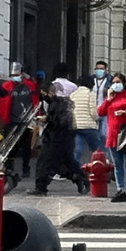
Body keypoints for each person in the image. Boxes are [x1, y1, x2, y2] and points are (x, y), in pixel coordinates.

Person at [32, 68, 83, 196]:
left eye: (44, 93)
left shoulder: (60, 103)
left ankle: (41, 187)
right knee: (65, 162)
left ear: (48, 92)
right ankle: (81, 178)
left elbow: (61, 121)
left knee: (46, 162)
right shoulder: (58, 103)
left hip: (58, 138)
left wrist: (47, 118)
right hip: (58, 137)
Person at [0, 62, 39, 178]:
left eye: (17, 74)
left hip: (27, 120)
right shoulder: (6, 86)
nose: (15, 76)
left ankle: (26, 168)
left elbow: (35, 100)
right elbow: (2, 103)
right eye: (13, 74)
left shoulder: (30, 85)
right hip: (11, 120)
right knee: (10, 145)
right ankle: (9, 167)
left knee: (26, 146)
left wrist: (37, 115)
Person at [69, 77, 103, 179]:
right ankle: (97, 168)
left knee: (77, 149)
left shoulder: (73, 94)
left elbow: (71, 110)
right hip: (89, 126)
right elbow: (93, 111)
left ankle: (76, 171)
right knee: (96, 149)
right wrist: (97, 118)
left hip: (76, 125)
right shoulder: (90, 94)